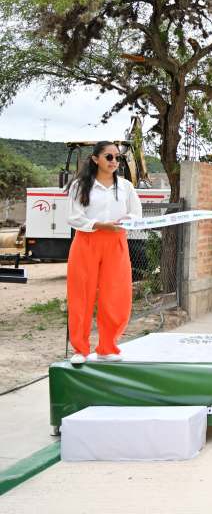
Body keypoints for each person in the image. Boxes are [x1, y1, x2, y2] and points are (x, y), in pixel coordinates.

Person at [65, 142, 142, 363]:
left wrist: (125, 222)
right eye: (109, 157)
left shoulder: (126, 186)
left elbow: (136, 213)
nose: (114, 162)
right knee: (82, 294)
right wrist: (100, 225)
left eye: (118, 158)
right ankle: (80, 349)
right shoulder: (81, 185)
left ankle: (107, 346)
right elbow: (74, 216)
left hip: (116, 241)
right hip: (87, 241)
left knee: (116, 294)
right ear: (95, 158)